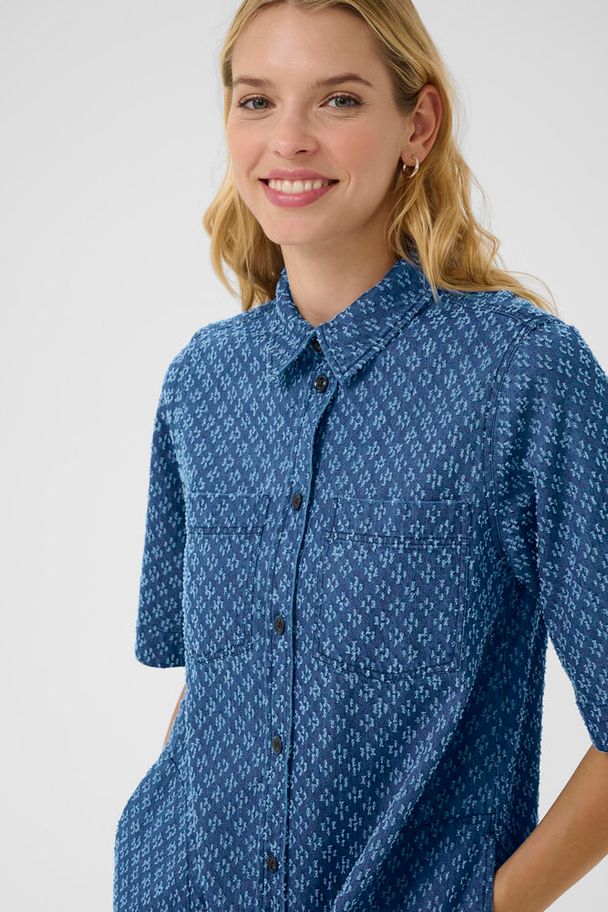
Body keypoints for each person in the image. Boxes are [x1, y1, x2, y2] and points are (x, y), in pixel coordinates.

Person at [113, 2, 608, 911]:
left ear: (417, 125)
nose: (288, 140)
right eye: (257, 101)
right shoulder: (202, 383)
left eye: (338, 100)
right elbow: (210, 690)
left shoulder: (522, 374)